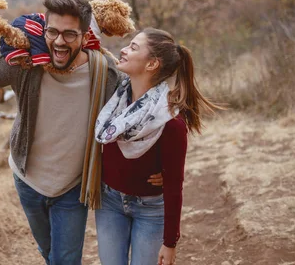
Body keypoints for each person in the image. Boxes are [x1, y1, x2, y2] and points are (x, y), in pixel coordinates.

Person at [0, 0, 121, 265]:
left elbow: (141, 108)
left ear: (85, 36)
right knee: (49, 254)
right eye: (53, 32)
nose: (59, 41)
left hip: (73, 187)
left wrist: (159, 167)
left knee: (65, 260)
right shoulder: (24, 65)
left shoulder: (105, 74)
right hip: (27, 181)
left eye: (70, 35)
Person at [94, 28, 221, 265]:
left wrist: (170, 242)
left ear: (152, 64)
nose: (123, 49)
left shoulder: (170, 121)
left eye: (133, 47)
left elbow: (174, 186)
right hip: (109, 202)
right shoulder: (114, 99)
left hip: (150, 210)